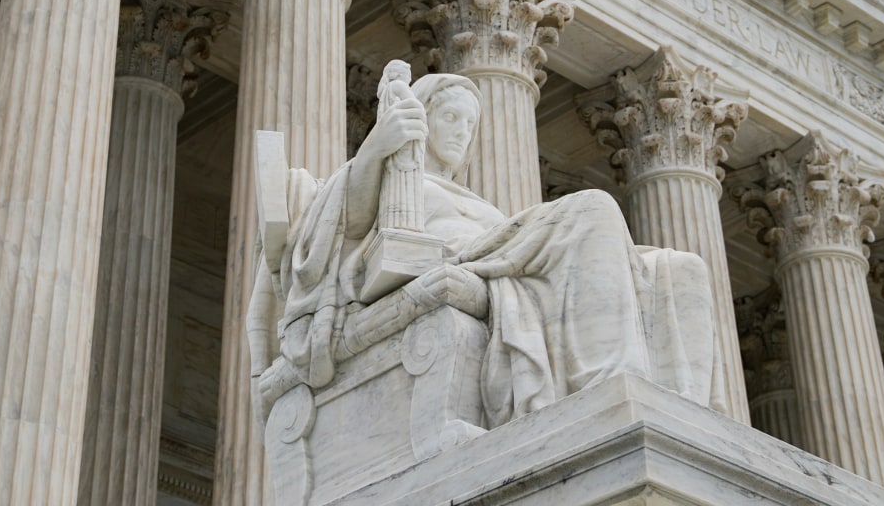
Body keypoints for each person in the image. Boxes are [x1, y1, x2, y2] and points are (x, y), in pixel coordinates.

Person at [271, 65, 716, 424]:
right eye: (449, 118)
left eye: (469, 123)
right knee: (593, 208)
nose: (462, 132)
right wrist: (375, 149)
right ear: (421, 119)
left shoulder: (477, 202)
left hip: (506, 259)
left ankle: (684, 415)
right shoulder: (389, 177)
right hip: (464, 259)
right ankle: (611, 383)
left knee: (680, 268)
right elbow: (341, 233)